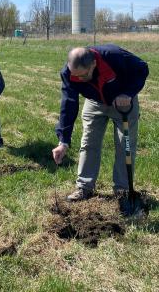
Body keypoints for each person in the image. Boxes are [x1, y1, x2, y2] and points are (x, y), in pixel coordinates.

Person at [52, 45, 149, 201]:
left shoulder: (114, 56)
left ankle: (122, 191)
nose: (79, 79)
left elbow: (142, 68)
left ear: (93, 65)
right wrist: (63, 141)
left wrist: (128, 93)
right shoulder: (69, 73)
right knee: (89, 142)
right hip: (95, 101)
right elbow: (68, 103)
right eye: (76, 75)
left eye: (83, 75)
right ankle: (84, 187)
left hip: (122, 101)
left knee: (125, 144)